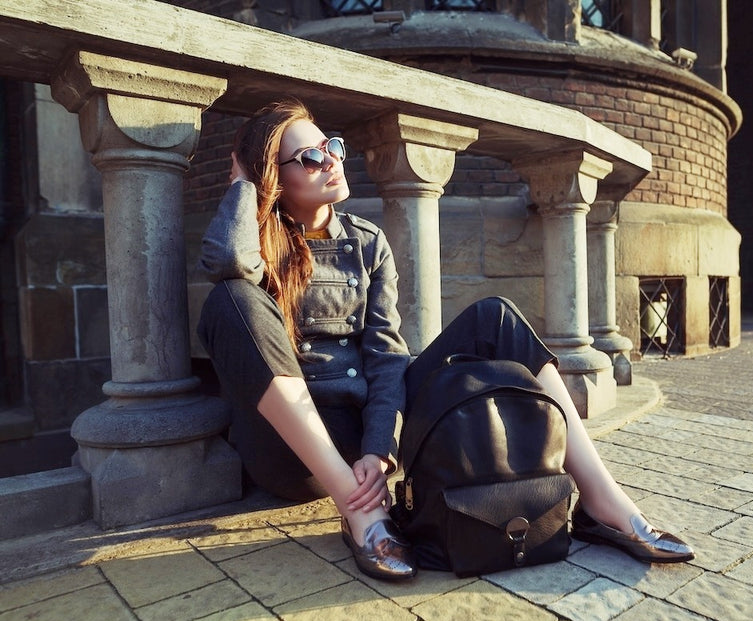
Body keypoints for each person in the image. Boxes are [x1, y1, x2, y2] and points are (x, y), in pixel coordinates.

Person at [197, 99, 694, 582]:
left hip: (363, 435)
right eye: (309, 157)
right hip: (294, 454)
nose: (330, 161)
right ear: (273, 178)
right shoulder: (254, 244)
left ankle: (603, 502)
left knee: (495, 318)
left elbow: (386, 357)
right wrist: (243, 187)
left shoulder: (368, 241)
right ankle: (361, 514)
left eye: (332, 146)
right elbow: (225, 263)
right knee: (232, 299)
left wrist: (378, 447)